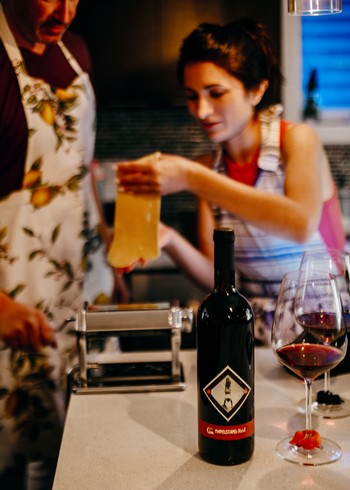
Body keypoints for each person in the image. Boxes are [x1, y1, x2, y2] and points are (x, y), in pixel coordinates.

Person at [117, 18, 346, 345]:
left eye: (216, 93)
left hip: (325, 327)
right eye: (192, 96)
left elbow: (300, 224)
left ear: (256, 90)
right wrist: (167, 239)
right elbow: (216, 274)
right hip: (259, 334)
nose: (202, 110)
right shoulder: (208, 171)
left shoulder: (296, 141)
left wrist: (191, 177)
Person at [0, 1, 121, 487]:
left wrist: (108, 250)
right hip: (17, 303)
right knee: (21, 460)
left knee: (90, 452)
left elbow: (81, 168)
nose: (64, 10)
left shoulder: (76, 51)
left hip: (87, 293)